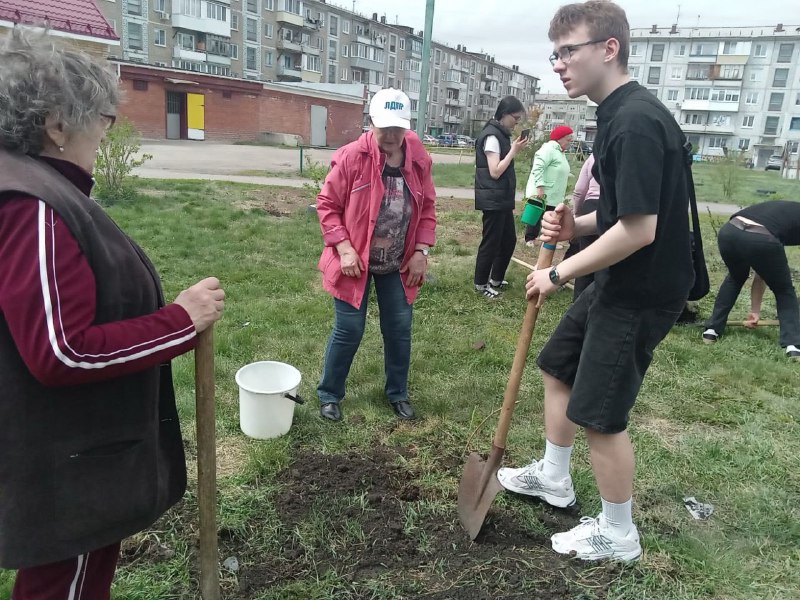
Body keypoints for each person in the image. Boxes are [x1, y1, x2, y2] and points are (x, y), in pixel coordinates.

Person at [0, 30, 225, 597]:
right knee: (65, 583)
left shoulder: (41, 190)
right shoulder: (35, 209)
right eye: (101, 115)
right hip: (65, 464)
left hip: (67, 451)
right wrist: (181, 321)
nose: (108, 128)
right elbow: (61, 351)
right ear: (56, 125)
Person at [497, 0, 694, 562]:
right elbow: (620, 216)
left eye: (569, 51)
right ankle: (554, 478)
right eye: (554, 53)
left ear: (609, 49)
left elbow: (638, 230)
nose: (558, 64)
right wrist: (576, 224)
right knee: (558, 366)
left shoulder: (634, 120)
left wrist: (559, 271)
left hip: (642, 288)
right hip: (619, 275)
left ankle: (618, 533)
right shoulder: (614, 113)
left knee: (600, 414)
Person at [316, 88, 437, 422]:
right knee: (349, 329)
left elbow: (427, 208)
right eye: (384, 127)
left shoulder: (418, 158)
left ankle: (397, 393)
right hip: (355, 260)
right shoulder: (353, 156)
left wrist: (421, 251)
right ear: (371, 122)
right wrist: (343, 249)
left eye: (398, 128)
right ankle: (330, 394)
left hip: (399, 261)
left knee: (399, 328)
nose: (391, 135)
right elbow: (327, 205)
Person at [701, 200, 800, 360]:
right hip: (761, 238)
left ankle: (711, 331)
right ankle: (793, 346)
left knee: (735, 277)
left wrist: (755, 311)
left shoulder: (788, 210)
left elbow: (762, 272)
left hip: (730, 232)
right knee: (784, 290)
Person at [473, 96, 529, 299]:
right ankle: (481, 284)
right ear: (504, 114)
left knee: (508, 240)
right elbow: (495, 171)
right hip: (493, 199)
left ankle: (495, 279)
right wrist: (514, 151)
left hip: (502, 198)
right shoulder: (492, 137)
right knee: (491, 242)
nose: (517, 123)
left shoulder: (501, 135)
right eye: (515, 118)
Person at [523, 125, 574, 246]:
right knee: (536, 214)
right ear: (559, 138)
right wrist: (540, 187)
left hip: (553, 193)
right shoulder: (548, 149)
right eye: (568, 139)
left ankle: (549, 240)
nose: (570, 142)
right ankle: (530, 239)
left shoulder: (559, 152)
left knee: (552, 217)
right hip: (544, 191)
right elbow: (538, 167)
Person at [569, 153, 601, 299]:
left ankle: (578, 302)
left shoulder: (595, 155)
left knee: (586, 257)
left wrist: (577, 212)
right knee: (607, 258)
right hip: (616, 207)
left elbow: (580, 189)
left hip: (591, 204)